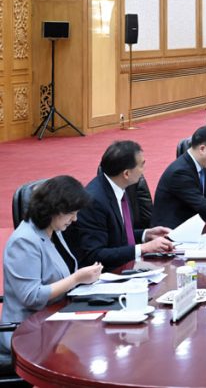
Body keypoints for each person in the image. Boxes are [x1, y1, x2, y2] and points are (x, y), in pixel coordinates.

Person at [1, 176, 103, 366]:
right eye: (71, 213)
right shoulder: (24, 241)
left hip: (55, 321)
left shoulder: (53, 230)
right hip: (28, 331)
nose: (75, 219)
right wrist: (76, 278)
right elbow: (31, 296)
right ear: (54, 210)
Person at [66, 141, 176, 269]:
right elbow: (95, 255)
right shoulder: (95, 201)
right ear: (126, 174)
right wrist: (144, 248)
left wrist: (146, 234)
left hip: (126, 265)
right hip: (106, 275)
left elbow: (115, 235)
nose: (143, 170)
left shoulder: (119, 186)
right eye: (141, 165)